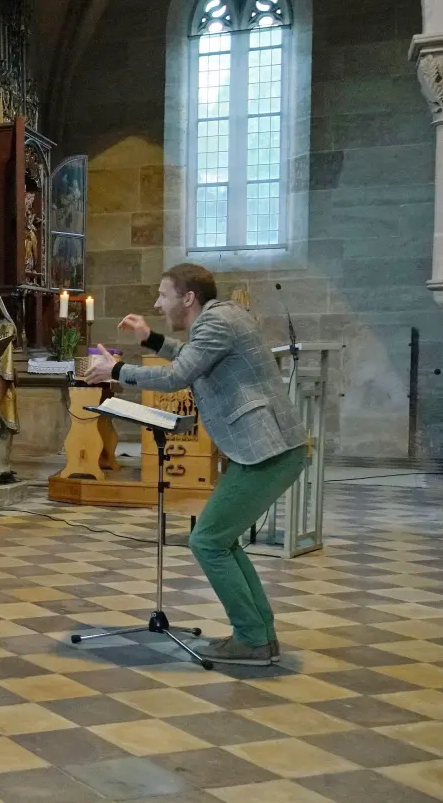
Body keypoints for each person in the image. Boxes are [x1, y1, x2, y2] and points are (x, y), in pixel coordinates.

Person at [83, 264, 307, 666]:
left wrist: (114, 370)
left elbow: (177, 376)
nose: (157, 302)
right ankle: (259, 636)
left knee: (206, 541)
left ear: (188, 298)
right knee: (220, 540)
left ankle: (253, 640)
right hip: (266, 448)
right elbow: (194, 357)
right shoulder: (221, 318)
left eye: (163, 294)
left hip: (266, 450)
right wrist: (150, 339)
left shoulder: (216, 322)